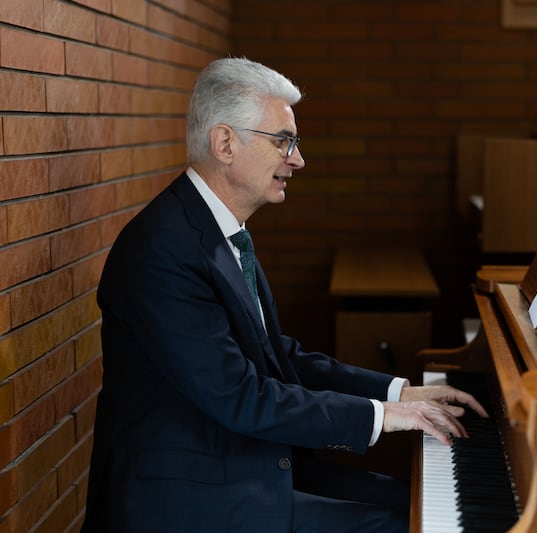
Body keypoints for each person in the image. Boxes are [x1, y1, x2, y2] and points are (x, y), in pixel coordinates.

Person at [81, 57, 488, 533]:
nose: (297, 159)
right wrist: (385, 417)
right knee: (413, 526)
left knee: (415, 507)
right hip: (192, 498)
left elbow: (280, 358)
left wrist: (399, 392)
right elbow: (241, 395)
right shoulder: (163, 250)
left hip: (242, 465)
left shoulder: (214, 230)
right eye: (283, 141)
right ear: (225, 143)